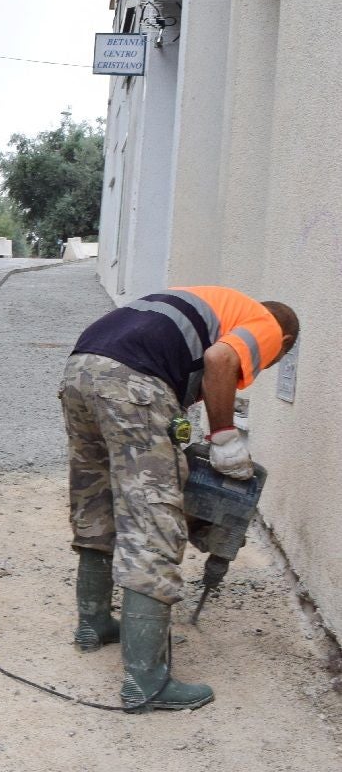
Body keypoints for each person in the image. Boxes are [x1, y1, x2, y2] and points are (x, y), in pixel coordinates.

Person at [59, 286, 298, 711]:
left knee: (98, 501)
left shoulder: (212, 306)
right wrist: (225, 439)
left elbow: (176, 403)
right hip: (132, 381)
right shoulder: (268, 324)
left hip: (80, 370)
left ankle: (93, 625)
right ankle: (146, 682)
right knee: (154, 525)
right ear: (284, 345)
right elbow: (220, 361)